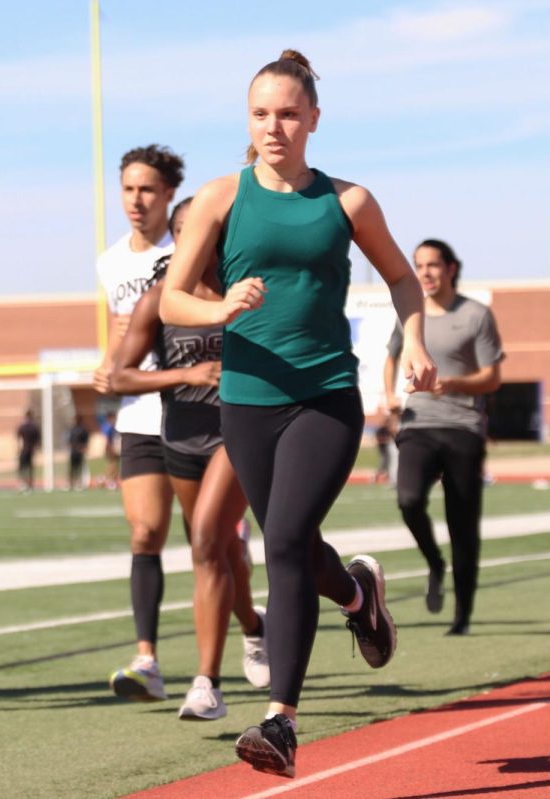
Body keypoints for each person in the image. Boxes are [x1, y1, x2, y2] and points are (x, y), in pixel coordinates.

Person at [160, 49, 436, 778]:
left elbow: (403, 277)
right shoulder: (222, 198)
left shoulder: (347, 201)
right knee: (293, 543)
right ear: (246, 121)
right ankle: (357, 592)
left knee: (280, 537)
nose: (274, 127)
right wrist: (220, 307)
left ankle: (280, 720)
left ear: (313, 118)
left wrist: (414, 337)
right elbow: (171, 299)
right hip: (249, 401)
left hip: (324, 396)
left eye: (287, 113)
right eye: (260, 114)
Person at [111, 196, 269, 721]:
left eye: (202, 230)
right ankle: (253, 626)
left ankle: (207, 685)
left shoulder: (241, 294)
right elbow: (120, 377)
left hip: (236, 433)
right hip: (180, 439)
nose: (191, 240)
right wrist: (184, 375)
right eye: (182, 232)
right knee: (218, 550)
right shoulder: (159, 299)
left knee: (207, 539)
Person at [94, 144, 183, 701]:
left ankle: (253, 629)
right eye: (128, 189)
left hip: (198, 408)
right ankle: (147, 660)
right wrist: (108, 364)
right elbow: (117, 328)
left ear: (169, 194)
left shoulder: (190, 248)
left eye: (147, 189)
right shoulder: (110, 261)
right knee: (145, 531)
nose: (135, 200)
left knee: (214, 544)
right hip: (141, 416)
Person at [383, 239, 504, 636]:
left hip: (463, 426)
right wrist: (389, 396)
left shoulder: (475, 315)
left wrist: (452, 383)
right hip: (418, 423)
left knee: (462, 524)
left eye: (433, 265)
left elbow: (493, 377)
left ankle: (462, 615)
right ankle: (435, 562)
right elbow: (391, 356)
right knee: (408, 499)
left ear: (451, 268)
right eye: (418, 266)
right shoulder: (409, 313)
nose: (425, 273)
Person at [17, 409, 41, 492]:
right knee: (29, 468)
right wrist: (35, 449)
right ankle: (30, 484)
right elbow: (38, 440)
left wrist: (18, 449)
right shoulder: (34, 427)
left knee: (23, 468)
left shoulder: (23, 427)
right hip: (30, 450)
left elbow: (18, 439)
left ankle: (24, 484)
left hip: (24, 449)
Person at [98, 410, 120, 489]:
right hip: (110, 448)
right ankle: (104, 480)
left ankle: (109, 479)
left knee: (114, 464)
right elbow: (107, 439)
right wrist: (110, 448)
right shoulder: (108, 426)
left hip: (111, 447)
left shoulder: (109, 426)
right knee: (112, 464)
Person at [67, 415, 90, 490]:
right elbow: (70, 440)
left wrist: (84, 448)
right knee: (72, 468)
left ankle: (78, 483)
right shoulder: (72, 429)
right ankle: (71, 483)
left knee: (79, 468)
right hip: (73, 451)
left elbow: (86, 440)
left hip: (79, 451)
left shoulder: (83, 429)